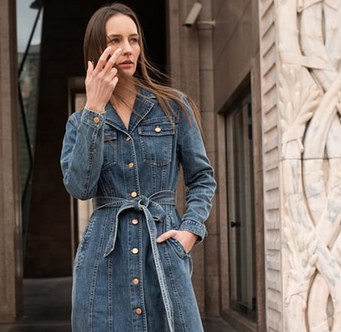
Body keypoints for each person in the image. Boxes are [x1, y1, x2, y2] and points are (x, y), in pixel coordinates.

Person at [60, 3, 216, 332]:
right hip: (104, 258)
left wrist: (189, 232)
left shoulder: (173, 108)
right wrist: (94, 109)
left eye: (133, 39)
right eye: (114, 40)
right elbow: (81, 188)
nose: (127, 49)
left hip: (163, 249)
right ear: (96, 50)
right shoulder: (80, 122)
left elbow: (202, 178)